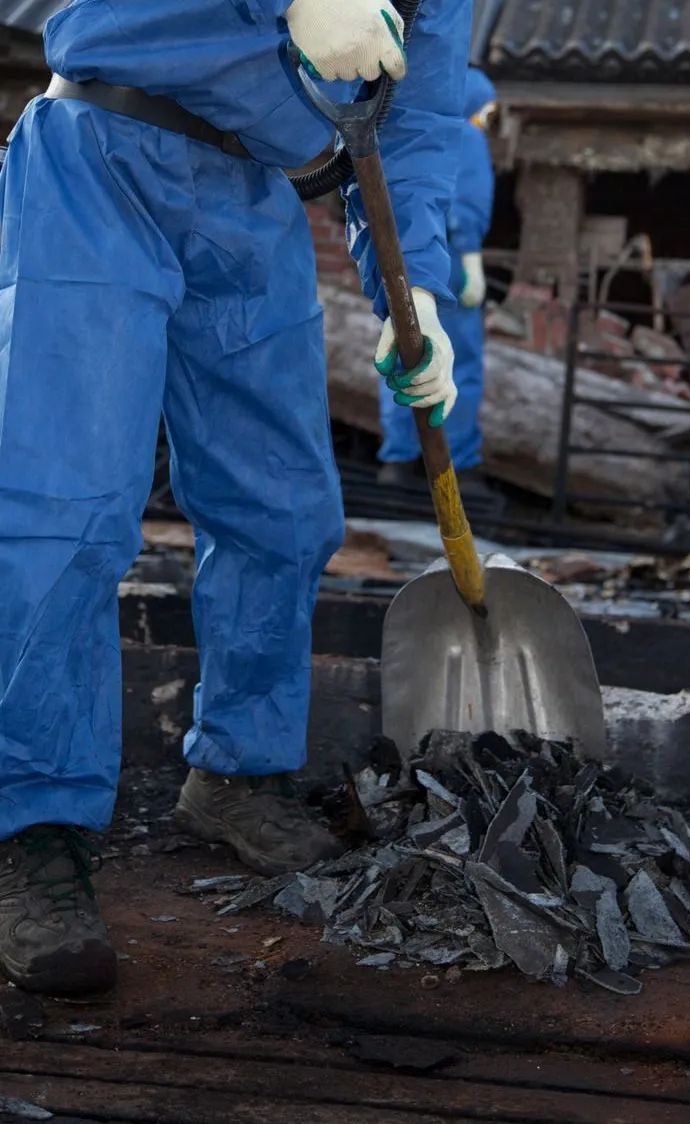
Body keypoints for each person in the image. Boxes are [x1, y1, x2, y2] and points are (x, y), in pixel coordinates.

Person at [0, 0, 471, 996]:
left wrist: (417, 293)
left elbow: (418, 117)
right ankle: (34, 825)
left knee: (282, 510)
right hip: (100, 153)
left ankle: (238, 769)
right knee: (62, 511)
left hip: (254, 195)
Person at [372, 67, 496, 490]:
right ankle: (458, 462)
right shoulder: (468, 137)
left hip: (406, 259)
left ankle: (398, 459)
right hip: (451, 261)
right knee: (459, 361)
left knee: (403, 351)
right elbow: (468, 202)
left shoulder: (413, 133)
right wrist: (472, 260)